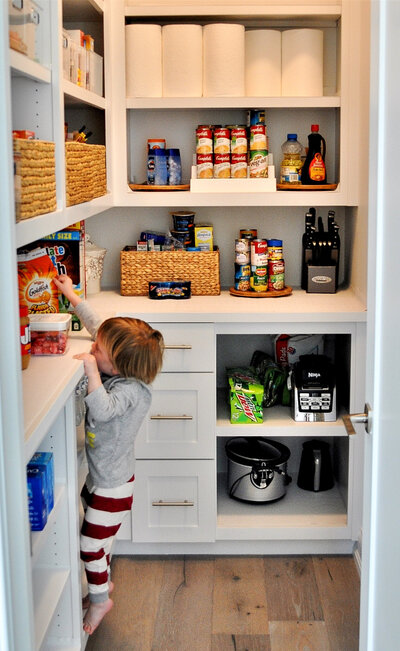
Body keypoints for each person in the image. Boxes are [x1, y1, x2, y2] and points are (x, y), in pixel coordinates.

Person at [53, 274, 164, 635]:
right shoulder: (118, 365)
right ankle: (104, 583)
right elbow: (96, 325)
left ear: (115, 367)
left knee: (89, 543)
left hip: (113, 488)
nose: (93, 349)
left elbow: (101, 409)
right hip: (102, 480)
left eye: (97, 351)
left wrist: (88, 368)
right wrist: (71, 294)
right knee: (100, 541)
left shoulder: (133, 393)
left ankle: (100, 600)